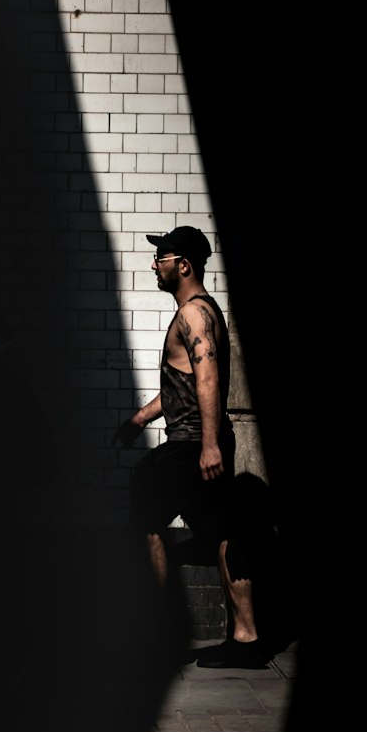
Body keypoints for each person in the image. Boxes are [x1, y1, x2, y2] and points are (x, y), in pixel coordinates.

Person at [113, 225, 272, 668]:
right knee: (222, 534)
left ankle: (160, 636)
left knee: (145, 508)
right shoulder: (201, 312)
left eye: (160, 258)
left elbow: (207, 380)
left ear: (183, 265)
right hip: (198, 442)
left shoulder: (194, 316)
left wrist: (207, 446)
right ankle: (246, 639)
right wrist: (140, 418)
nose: (153, 265)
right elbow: (182, 386)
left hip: (190, 445)